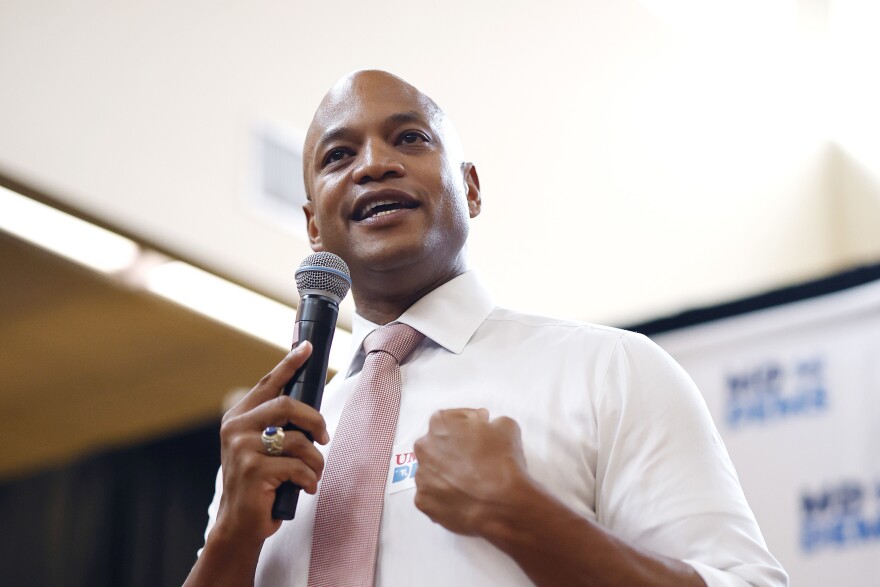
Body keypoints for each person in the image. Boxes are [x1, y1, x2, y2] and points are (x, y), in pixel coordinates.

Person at [185, 70, 788, 586]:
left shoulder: (611, 371)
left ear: (470, 189)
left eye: (409, 138)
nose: (374, 163)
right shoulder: (274, 441)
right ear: (314, 227)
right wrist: (231, 539)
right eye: (339, 155)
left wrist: (522, 515)